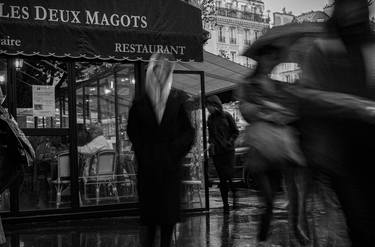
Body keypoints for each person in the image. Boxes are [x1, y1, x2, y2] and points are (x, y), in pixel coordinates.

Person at [296, 0, 375, 245]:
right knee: (360, 222)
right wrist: (352, 104)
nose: (354, 12)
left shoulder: (371, 44)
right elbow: (309, 96)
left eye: (358, 6)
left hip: (370, 143)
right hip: (341, 150)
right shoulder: (322, 49)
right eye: (348, 6)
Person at [127, 53, 195, 247]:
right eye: (158, 69)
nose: (162, 74)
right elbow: (133, 132)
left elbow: (188, 133)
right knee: (150, 224)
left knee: (167, 221)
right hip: (149, 169)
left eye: (166, 70)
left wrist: (173, 152)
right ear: (151, 71)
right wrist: (145, 153)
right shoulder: (140, 104)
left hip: (169, 168)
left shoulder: (177, 100)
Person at [206, 95, 239, 212]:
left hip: (228, 152)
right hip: (217, 153)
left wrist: (229, 142)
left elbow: (235, 132)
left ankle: (235, 197)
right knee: (222, 179)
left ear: (215, 105)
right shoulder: (209, 119)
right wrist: (211, 143)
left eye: (208, 106)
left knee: (229, 176)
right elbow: (210, 135)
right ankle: (225, 205)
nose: (207, 109)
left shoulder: (227, 116)